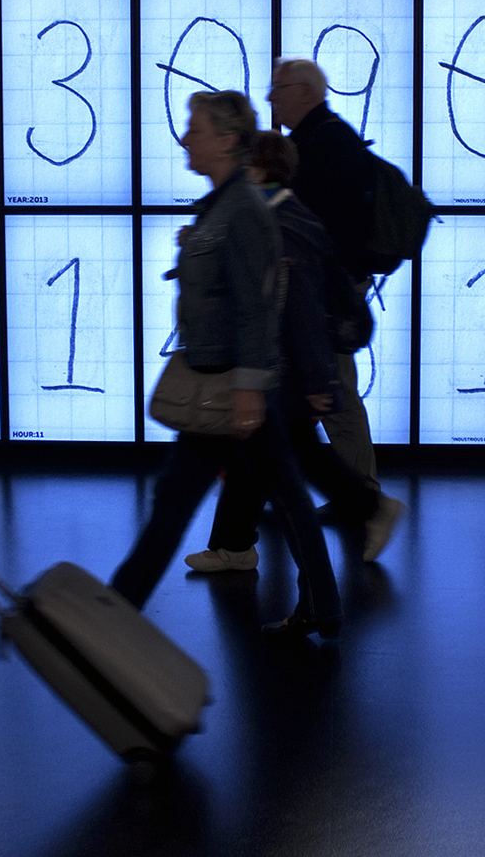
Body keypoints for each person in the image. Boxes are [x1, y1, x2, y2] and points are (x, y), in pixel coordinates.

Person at [110, 90, 341, 638]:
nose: (185, 138)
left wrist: (247, 391)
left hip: (229, 390)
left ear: (228, 139)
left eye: (195, 129)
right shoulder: (223, 206)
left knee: (179, 504)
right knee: (277, 494)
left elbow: (257, 307)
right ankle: (324, 607)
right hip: (225, 387)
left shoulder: (242, 211)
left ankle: (116, 612)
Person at [182, 131, 404, 575]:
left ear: (258, 168)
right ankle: (234, 544)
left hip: (284, 364)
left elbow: (303, 310)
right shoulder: (277, 214)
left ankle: (370, 508)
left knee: (291, 449)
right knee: (260, 447)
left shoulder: (283, 223)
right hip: (276, 361)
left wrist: (319, 380)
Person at [267, 58, 384, 504]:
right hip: (329, 287)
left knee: (331, 392)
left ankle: (364, 498)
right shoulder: (327, 138)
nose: (270, 96)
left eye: (279, 88)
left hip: (322, 292)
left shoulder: (321, 146)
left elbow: (315, 228)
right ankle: (353, 492)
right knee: (320, 392)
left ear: (307, 92)